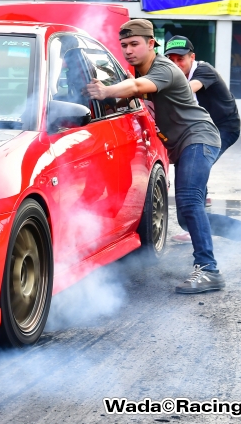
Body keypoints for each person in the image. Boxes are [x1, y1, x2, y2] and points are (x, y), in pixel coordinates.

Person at [85, 21, 219, 293]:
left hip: (199, 137)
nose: (128, 50)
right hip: (182, 144)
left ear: (151, 44)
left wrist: (106, 91)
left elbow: (136, 87)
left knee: (190, 202)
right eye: (124, 45)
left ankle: (209, 270)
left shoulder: (164, 69)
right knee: (187, 211)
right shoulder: (136, 70)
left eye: (134, 44)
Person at [163, 36, 241, 271]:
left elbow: (187, 91)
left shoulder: (203, 71)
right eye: (171, 59)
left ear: (192, 57)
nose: (176, 63)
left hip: (222, 130)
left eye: (181, 58)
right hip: (195, 132)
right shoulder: (171, 74)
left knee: (189, 206)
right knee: (187, 214)